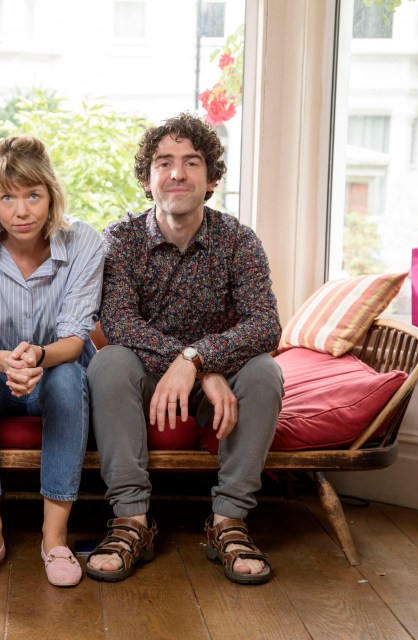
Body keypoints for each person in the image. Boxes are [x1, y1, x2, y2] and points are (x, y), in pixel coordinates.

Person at [85, 112, 284, 585]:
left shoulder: (238, 240)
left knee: (264, 372)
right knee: (109, 362)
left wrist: (197, 361)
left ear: (211, 178)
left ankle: (229, 523)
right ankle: (131, 521)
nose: (177, 173)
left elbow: (266, 326)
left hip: (214, 386)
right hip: (148, 381)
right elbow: (118, 323)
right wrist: (191, 363)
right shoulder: (120, 240)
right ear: (147, 178)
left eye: (192, 162)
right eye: (164, 162)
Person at [0, 135, 104, 587]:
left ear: (51, 194)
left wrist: (37, 355)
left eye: (33, 195)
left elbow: (75, 337)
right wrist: (4, 362)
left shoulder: (85, 242)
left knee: (71, 378)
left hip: (55, 370)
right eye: (8, 196)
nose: (21, 210)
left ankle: (55, 539)